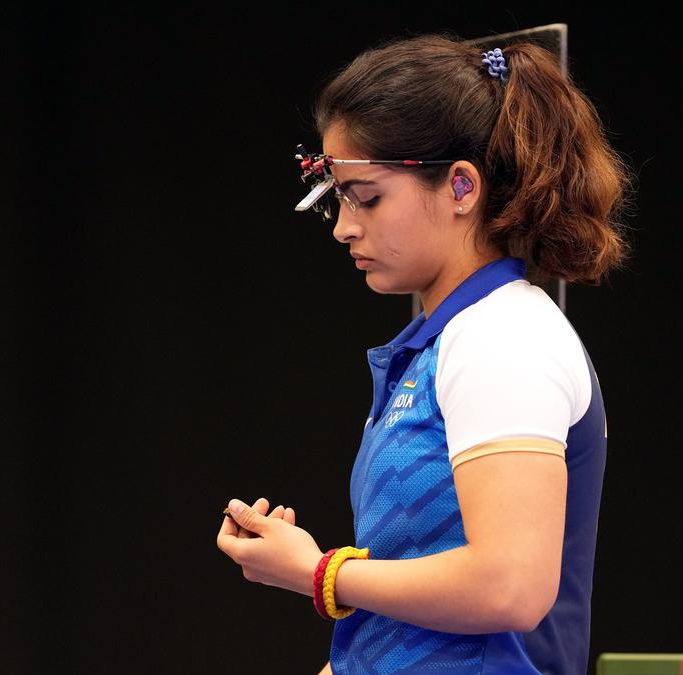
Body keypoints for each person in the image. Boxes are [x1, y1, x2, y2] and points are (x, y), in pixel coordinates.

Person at [217, 32, 630, 674]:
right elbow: (399, 628)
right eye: (337, 197)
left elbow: (510, 587)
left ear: (461, 188)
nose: (344, 226)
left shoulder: (506, 337)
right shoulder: (447, 341)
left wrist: (319, 572)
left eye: (367, 196)